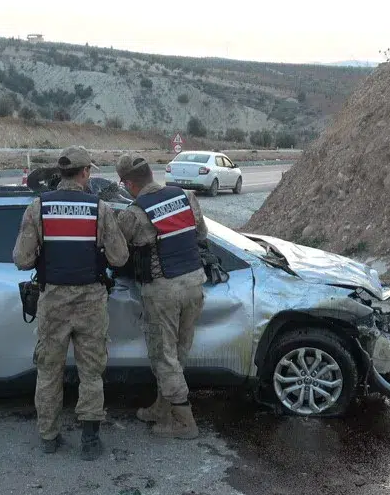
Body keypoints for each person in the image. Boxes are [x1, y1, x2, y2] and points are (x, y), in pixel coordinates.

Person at [13, 146, 129, 458]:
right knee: (91, 371)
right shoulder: (99, 208)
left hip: (53, 300)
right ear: (85, 173)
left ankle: (49, 437)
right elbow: (119, 257)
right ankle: (90, 442)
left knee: (49, 370)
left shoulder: (39, 207)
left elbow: (22, 260)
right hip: (90, 299)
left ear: (60, 173)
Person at [114, 154, 229, 439]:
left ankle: (184, 422)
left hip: (163, 291)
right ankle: (161, 408)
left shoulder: (134, 213)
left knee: (163, 356)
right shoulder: (185, 197)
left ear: (128, 183)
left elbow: (116, 253)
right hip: (193, 284)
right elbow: (200, 234)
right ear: (151, 173)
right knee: (177, 353)